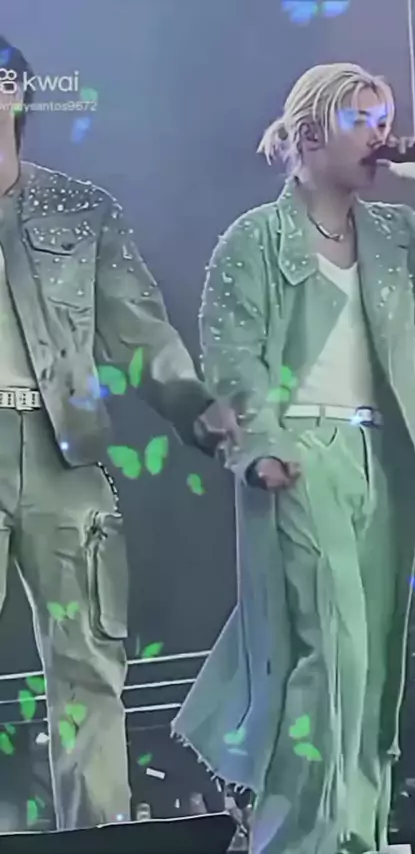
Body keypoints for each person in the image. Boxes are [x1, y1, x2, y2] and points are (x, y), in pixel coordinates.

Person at [172, 63, 415, 853]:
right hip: (301, 453)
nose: (382, 136)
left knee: (372, 665)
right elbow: (232, 361)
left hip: (384, 456)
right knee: (329, 654)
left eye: (386, 120)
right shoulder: (254, 239)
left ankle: (358, 837)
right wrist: (262, 448)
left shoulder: (393, 236)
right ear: (311, 134)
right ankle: (298, 838)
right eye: (362, 121)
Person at [0, 35, 239, 830]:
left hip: (63, 457)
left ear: (14, 93)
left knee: (90, 669)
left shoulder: (80, 209)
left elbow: (140, 332)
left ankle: (98, 836)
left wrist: (196, 405)